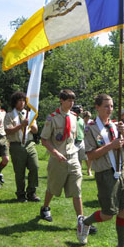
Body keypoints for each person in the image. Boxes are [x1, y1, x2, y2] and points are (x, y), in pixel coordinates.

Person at [79, 93, 124, 247]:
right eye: (106, 106)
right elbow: (90, 155)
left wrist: (123, 132)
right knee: (108, 214)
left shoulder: (115, 125)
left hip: (122, 170)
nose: (110, 109)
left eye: (112, 106)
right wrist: (110, 146)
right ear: (97, 107)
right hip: (105, 173)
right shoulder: (91, 128)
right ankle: (86, 222)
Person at [40, 89, 94, 227]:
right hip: (57, 158)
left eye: (73, 100)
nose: (72, 103)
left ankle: (81, 221)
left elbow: (76, 137)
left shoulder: (75, 117)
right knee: (53, 187)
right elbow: (44, 140)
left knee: (77, 189)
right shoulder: (52, 118)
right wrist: (56, 153)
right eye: (69, 100)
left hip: (73, 157)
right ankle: (45, 208)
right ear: (61, 101)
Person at [4, 91, 40, 202]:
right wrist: (21, 125)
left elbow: (35, 130)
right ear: (14, 102)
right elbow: (8, 131)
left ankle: (31, 192)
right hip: (16, 145)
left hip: (29, 143)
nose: (22, 102)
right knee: (19, 172)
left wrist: (30, 124)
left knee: (35, 167)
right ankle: (20, 193)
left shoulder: (29, 114)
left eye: (24, 100)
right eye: (20, 100)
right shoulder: (9, 115)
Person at [72, 105, 92, 176]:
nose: (81, 112)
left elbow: (84, 130)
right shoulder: (71, 118)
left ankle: (85, 171)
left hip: (81, 141)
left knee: (84, 157)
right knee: (76, 159)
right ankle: (77, 172)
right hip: (73, 142)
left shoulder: (81, 120)